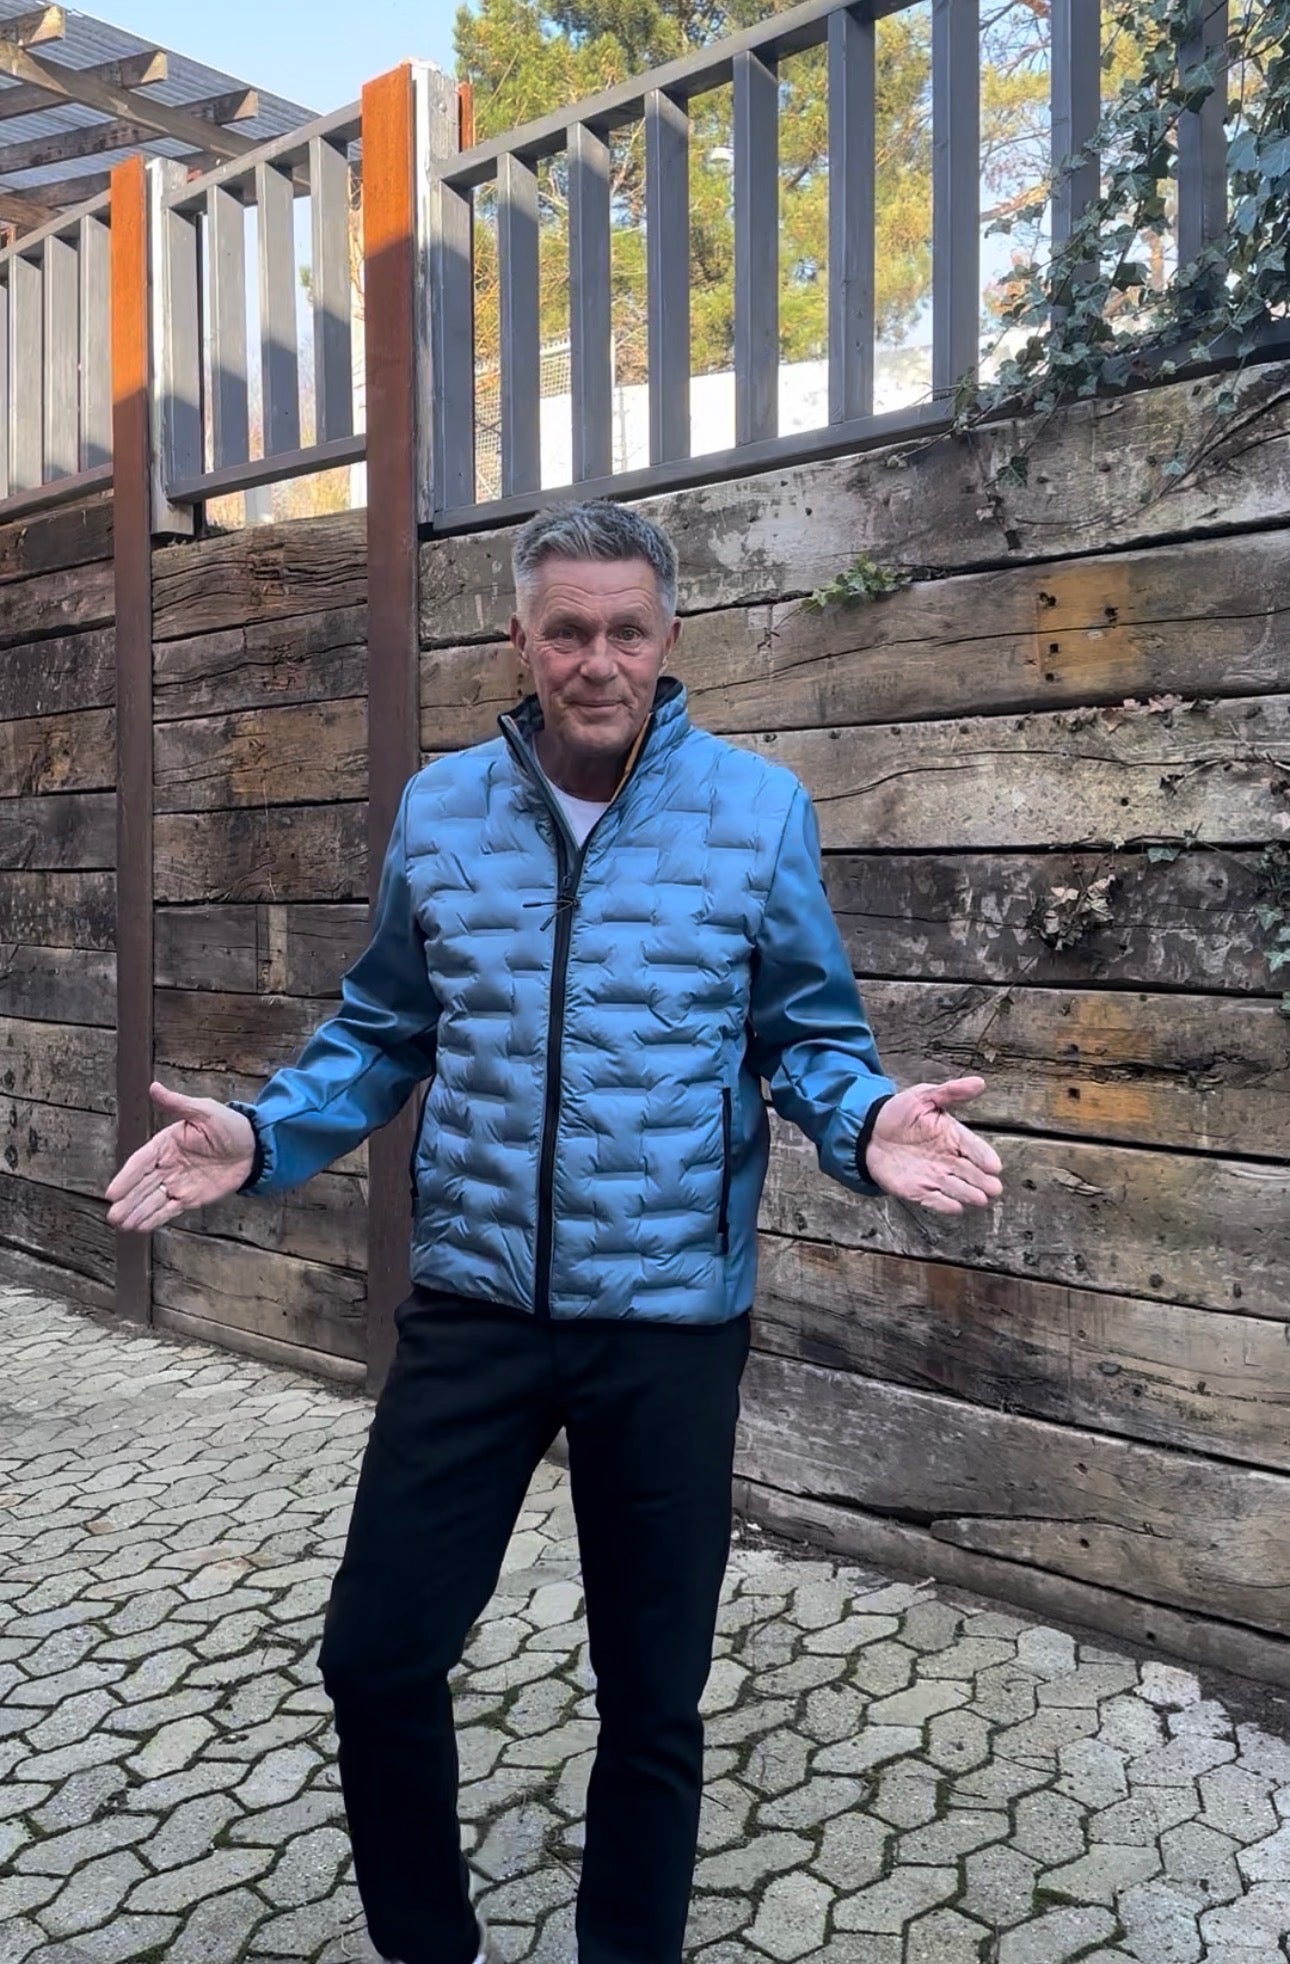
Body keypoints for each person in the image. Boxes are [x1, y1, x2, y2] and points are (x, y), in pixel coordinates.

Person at [106, 500, 1003, 1964]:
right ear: (518, 638)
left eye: (626, 631)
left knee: (651, 1697)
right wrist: (266, 1138)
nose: (598, 659)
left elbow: (805, 1037)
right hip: (475, 1307)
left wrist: (863, 1123)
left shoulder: (757, 810)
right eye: (568, 630)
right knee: (375, 1656)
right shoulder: (440, 811)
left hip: (669, 1324)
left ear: (667, 637)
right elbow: (383, 1028)